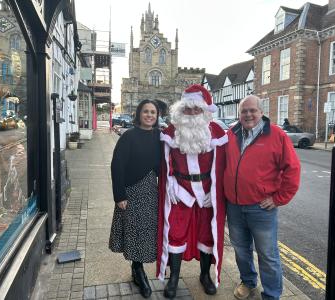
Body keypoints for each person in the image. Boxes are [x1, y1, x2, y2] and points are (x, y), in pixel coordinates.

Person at [223, 95, 300, 300]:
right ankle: (248, 281)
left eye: (252, 110)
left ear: (261, 112)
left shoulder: (277, 135)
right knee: (241, 250)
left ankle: (272, 295)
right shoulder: (231, 133)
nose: (248, 114)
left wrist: (278, 198)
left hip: (261, 208)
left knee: (268, 255)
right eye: (243, 111)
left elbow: (292, 169)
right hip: (234, 206)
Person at [156, 84, 228, 298]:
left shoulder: (215, 132)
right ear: (181, 109)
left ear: (205, 110)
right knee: (175, 234)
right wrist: (172, 187)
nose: (192, 112)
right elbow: (165, 164)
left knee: (207, 235)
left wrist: (214, 191)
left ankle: (204, 275)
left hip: (207, 193)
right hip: (180, 191)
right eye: (187, 108)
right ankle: (174, 278)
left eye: (196, 109)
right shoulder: (171, 132)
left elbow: (223, 164)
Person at [109, 100, 161, 298]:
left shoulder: (159, 135)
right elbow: (117, 165)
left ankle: (136, 267)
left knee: (146, 231)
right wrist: (119, 195)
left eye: (153, 112)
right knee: (134, 231)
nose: (149, 115)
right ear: (139, 114)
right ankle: (138, 271)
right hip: (131, 191)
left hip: (150, 190)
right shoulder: (129, 136)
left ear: (157, 116)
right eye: (146, 111)